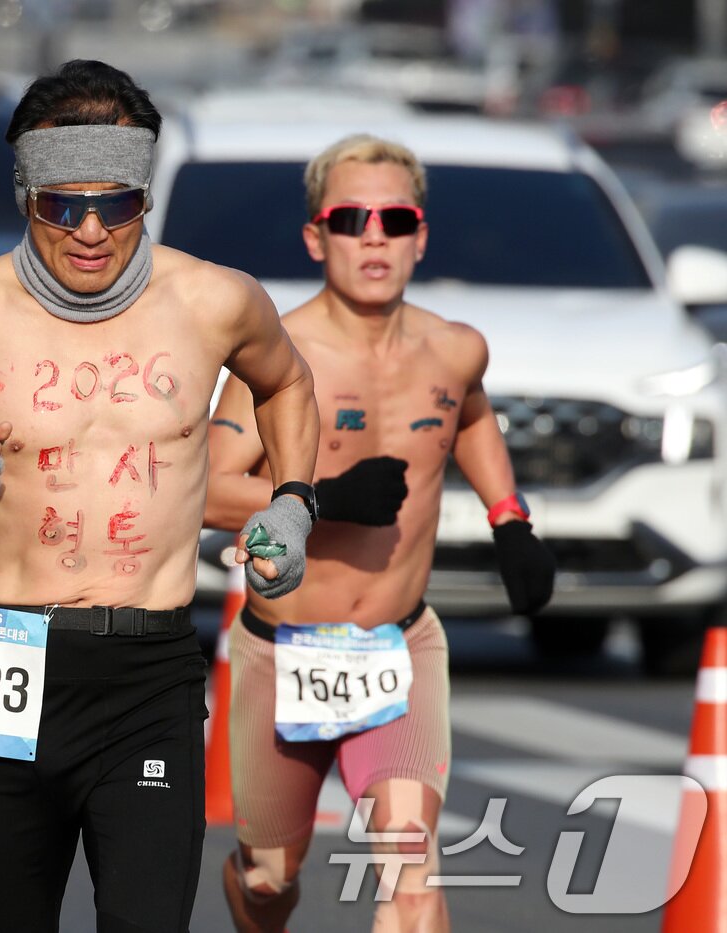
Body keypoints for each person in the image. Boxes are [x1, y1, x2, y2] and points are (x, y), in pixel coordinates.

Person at [0, 60, 320, 933]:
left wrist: (293, 501)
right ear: (25, 197)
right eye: (60, 205)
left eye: (114, 204)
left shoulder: (214, 299)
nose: (89, 229)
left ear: (144, 199)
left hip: (147, 669)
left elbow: (291, 385)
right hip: (7, 663)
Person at [206, 134, 556, 933]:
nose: (373, 236)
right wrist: (320, 499)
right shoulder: (276, 357)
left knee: (409, 864)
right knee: (268, 876)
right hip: (286, 648)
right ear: (314, 237)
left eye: (394, 219)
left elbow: (468, 415)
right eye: (350, 218)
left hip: (399, 647)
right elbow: (204, 489)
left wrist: (511, 522)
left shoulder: (455, 348)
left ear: (420, 236)